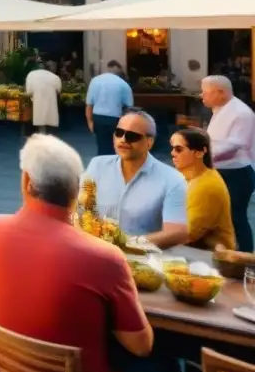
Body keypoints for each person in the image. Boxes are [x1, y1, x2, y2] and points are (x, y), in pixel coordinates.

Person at [0, 134, 176, 372]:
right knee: (165, 365)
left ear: (26, 182)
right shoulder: (104, 257)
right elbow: (141, 345)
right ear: (77, 190)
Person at [83, 110, 188, 247]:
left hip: (142, 260)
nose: (123, 140)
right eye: (119, 133)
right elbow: (80, 209)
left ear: (149, 142)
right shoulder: (97, 165)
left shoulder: (172, 180)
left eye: (132, 136)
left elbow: (177, 232)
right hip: (95, 252)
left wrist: (129, 244)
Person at [201, 74, 255, 252]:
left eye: (205, 92)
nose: (202, 96)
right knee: (218, 218)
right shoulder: (220, 108)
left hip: (237, 174)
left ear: (221, 93)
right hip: (219, 171)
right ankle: (223, 254)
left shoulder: (241, 113)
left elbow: (234, 145)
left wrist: (202, 156)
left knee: (235, 217)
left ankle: (246, 260)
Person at [169, 127, 236, 251]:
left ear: (199, 153)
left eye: (178, 149)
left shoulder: (207, 187)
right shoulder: (191, 176)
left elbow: (187, 234)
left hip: (210, 259)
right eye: (172, 148)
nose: (172, 153)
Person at [86, 60, 134, 156]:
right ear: (119, 71)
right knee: (117, 148)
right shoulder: (123, 84)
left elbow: (89, 105)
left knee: (102, 147)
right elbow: (129, 108)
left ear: (108, 68)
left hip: (98, 118)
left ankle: (102, 167)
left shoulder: (95, 81)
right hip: (115, 119)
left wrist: (90, 123)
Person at [24, 61, 62, 134]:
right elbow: (59, 90)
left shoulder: (31, 75)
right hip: (51, 108)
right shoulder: (55, 77)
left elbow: (28, 92)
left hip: (36, 106)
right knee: (50, 124)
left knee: (38, 121)